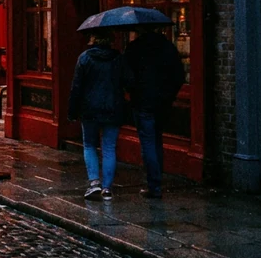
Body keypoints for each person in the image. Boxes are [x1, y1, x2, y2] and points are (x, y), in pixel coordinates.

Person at [68, 29, 132, 201]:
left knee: (89, 145)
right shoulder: (119, 58)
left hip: (89, 108)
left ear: (93, 39)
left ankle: (94, 182)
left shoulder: (85, 58)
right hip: (113, 107)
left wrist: (72, 111)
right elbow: (129, 82)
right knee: (109, 147)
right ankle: (107, 189)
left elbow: (77, 87)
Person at [125, 28, 185, 199]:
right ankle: (157, 179)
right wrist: (170, 95)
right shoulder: (168, 47)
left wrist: (133, 92)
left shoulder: (134, 48)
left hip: (143, 102)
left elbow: (127, 76)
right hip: (163, 103)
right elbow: (179, 76)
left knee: (148, 142)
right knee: (157, 139)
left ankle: (154, 185)